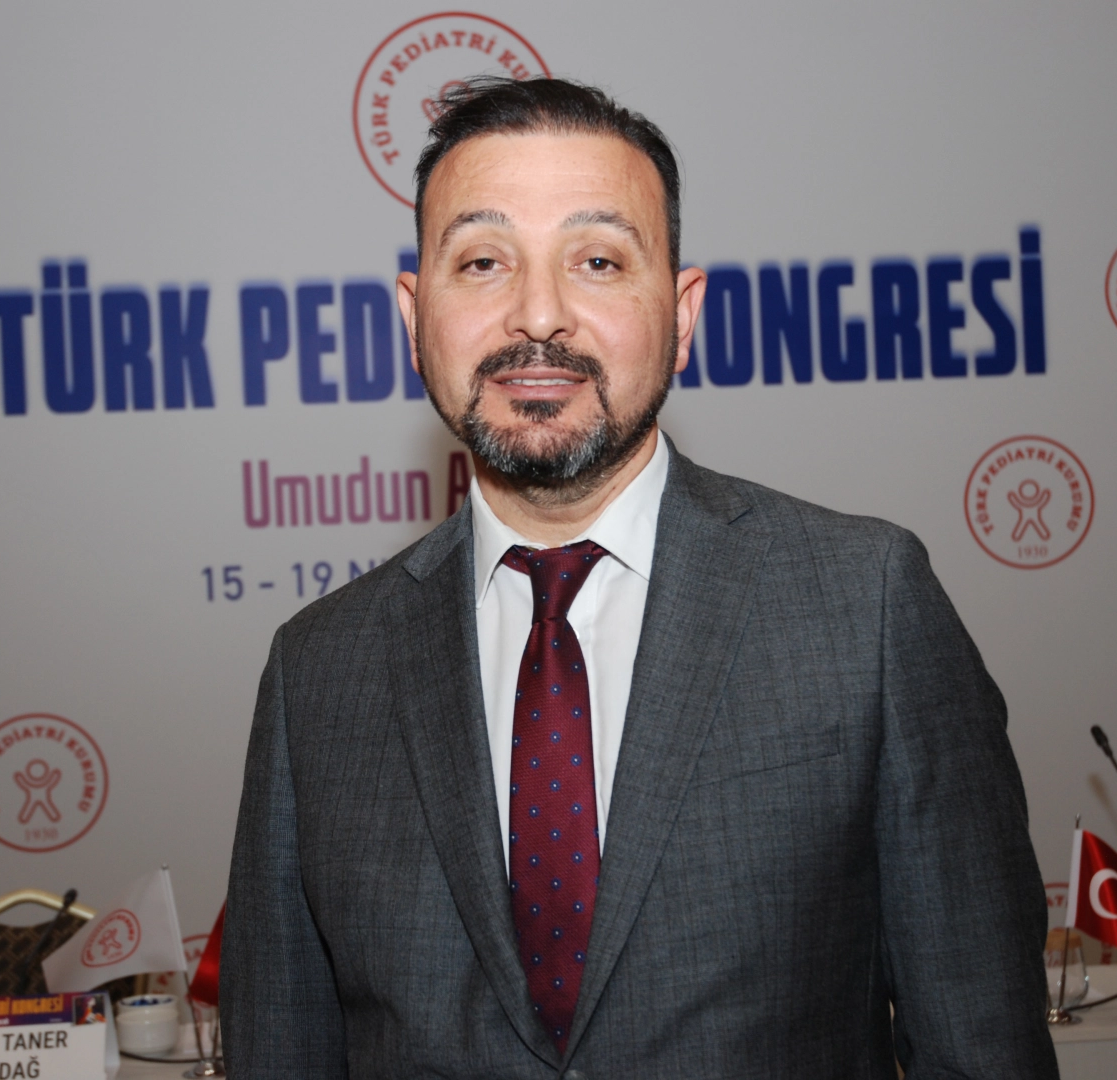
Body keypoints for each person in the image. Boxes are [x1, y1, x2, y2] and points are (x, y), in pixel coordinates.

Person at [223, 77, 1057, 1078]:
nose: (539, 315)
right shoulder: (319, 670)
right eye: (483, 261)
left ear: (682, 313)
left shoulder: (864, 603)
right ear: (415, 315)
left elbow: (982, 1044)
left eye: (598, 261)